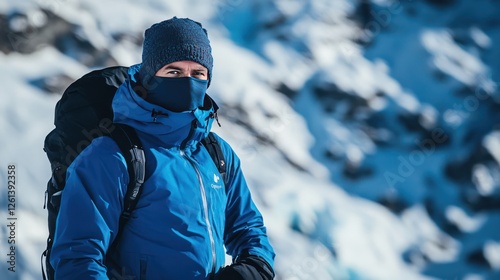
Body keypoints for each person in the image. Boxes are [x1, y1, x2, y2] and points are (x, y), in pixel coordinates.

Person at [49, 17, 275, 280]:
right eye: (173, 72)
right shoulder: (112, 156)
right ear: (149, 78)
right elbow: (78, 259)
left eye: (198, 73)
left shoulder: (218, 154)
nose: (187, 82)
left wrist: (253, 268)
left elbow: (247, 228)